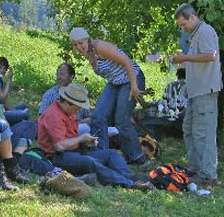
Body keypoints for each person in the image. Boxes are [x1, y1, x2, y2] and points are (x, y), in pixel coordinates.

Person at [37, 83, 154, 190]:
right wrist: (81, 139)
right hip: (58, 157)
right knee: (90, 162)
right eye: (77, 107)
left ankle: (129, 176)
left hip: (75, 151)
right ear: (67, 103)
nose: (78, 111)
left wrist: (85, 142)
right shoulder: (54, 115)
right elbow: (59, 146)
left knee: (111, 154)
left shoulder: (67, 112)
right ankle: (130, 184)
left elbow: (70, 137)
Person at [69, 27, 147, 165]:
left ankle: (137, 157)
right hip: (115, 82)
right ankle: (101, 155)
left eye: (81, 43)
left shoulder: (100, 47)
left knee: (121, 120)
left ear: (87, 40)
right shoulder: (88, 53)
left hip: (131, 79)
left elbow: (127, 61)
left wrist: (134, 87)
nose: (79, 47)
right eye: (75, 45)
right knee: (98, 116)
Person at [172, 4, 223, 188]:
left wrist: (185, 58)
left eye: (183, 24)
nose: (182, 28)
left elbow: (210, 56)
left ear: (192, 17)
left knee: (204, 133)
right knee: (189, 129)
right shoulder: (195, 34)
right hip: (195, 92)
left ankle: (208, 174)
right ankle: (195, 168)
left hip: (205, 91)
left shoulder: (206, 32)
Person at [39, 62, 92, 134]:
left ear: (71, 77)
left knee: (93, 128)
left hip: (78, 128)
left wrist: (80, 123)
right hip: (57, 130)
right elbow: (41, 118)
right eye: (58, 74)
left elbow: (89, 117)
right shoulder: (50, 94)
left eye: (62, 74)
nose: (59, 77)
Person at [0, 56, 30, 125]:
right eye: (0, 67)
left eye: (4, 69)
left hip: (3, 110)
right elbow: (2, 99)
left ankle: (16, 120)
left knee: (23, 107)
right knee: (25, 114)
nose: (2, 71)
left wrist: (14, 111)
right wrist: (9, 80)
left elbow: (5, 103)